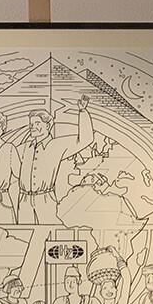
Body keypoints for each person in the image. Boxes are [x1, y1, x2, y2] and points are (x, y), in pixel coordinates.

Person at [17, 95, 94, 224]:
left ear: (48, 125)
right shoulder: (24, 147)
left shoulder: (57, 145)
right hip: (24, 200)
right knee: (24, 233)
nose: (32, 127)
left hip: (45, 199)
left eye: (37, 123)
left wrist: (83, 112)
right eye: (31, 124)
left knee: (49, 231)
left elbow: (85, 140)